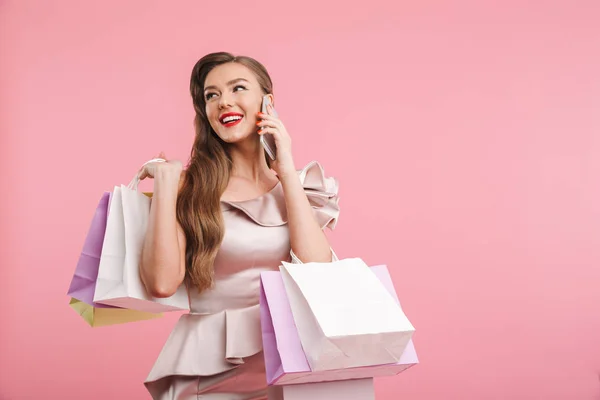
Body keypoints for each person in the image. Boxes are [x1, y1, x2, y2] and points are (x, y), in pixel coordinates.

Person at [138, 52, 341, 399]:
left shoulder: (297, 185)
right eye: (211, 95)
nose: (223, 102)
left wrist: (286, 169)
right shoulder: (191, 188)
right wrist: (168, 183)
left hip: (292, 366)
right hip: (214, 372)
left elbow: (318, 272)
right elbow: (160, 283)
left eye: (237, 88)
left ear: (268, 102)